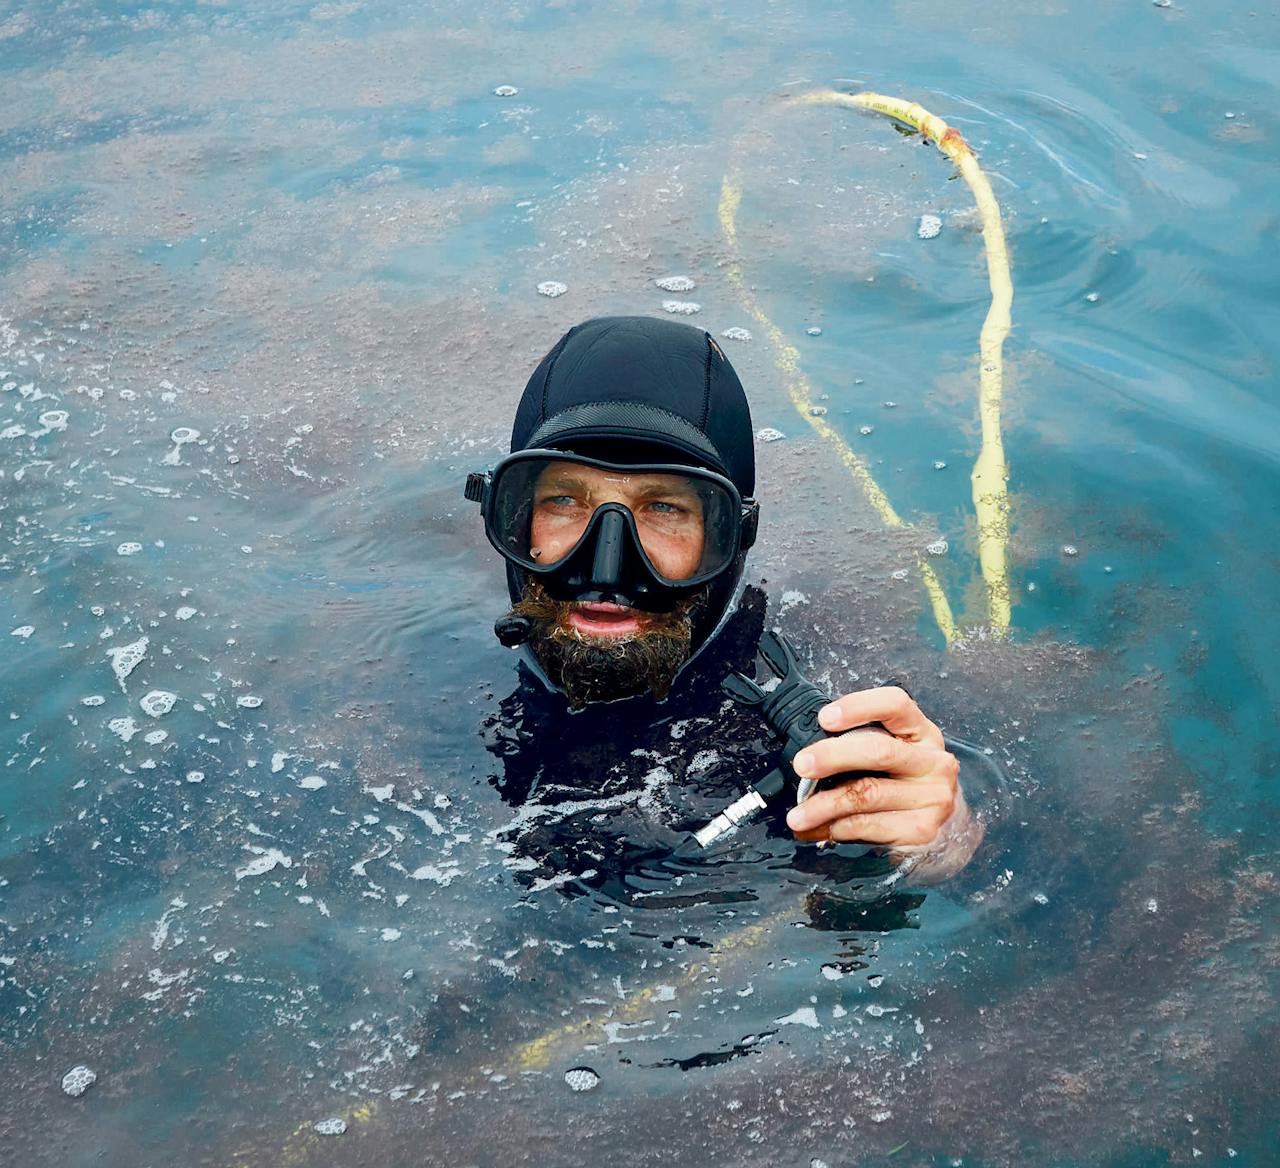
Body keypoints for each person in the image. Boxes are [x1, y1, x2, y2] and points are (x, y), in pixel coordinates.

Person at [467, 315, 983, 886]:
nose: (607, 564)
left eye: (664, 508)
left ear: (731, 537)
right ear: (514, 521)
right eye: (564, 499)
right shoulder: (432, 677)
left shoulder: (828, 710)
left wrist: (940, 840)